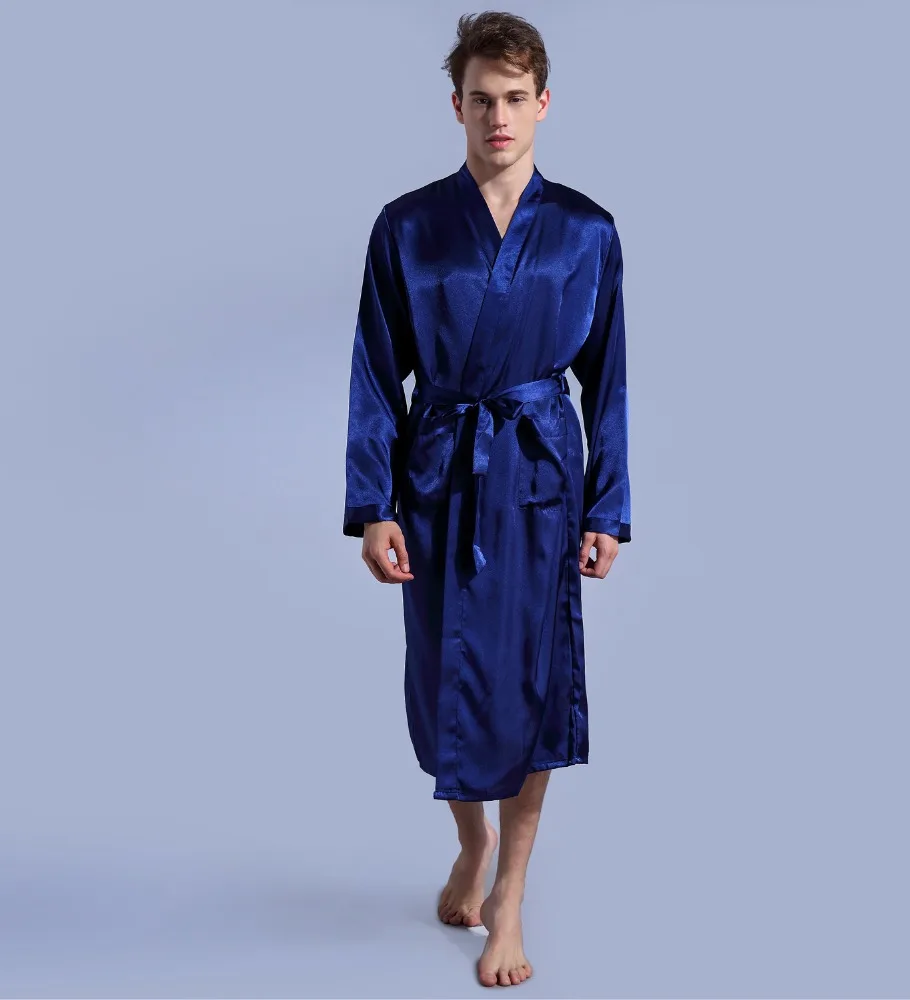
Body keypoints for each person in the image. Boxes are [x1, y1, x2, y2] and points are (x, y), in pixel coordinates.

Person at [342, 10, 631, 989]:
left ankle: (509, 893)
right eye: (480, 100)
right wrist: (375, 504)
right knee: (444, 676)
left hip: (541, 478)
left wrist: (605, 507)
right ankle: (471, 839)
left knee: (532, 681)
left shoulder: (587, 231)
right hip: (437, 475)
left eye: (514, 98)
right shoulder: (408, 226)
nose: (497, 117)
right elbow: (376, 371)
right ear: (455, 107)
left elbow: (609, 378)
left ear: (543, 103)